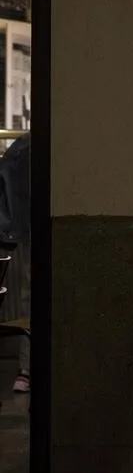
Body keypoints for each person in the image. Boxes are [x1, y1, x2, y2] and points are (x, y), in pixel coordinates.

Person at [0, 133, 31, 392]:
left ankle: (27, 369)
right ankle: (28, 368)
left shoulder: (21, 147)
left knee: (29, 299)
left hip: (28, 232)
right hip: (36, 229)